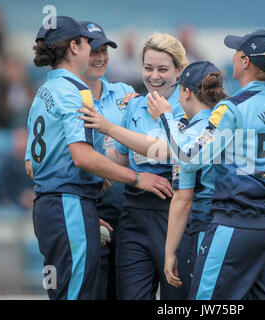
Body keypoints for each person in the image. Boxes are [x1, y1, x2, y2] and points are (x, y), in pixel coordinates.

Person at [24, 16, 172, 300]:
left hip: (59, 206)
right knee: (77, 293)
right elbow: (82, 157)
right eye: (87, 44)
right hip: (69, 203)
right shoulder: (75, 90)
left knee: (69, 291)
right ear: (74, 47)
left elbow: (34, 162)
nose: (95, 52)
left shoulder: (44, 89)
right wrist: (138, 178)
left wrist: (86, 207)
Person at [148, 29, 265, 300]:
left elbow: (188, 157)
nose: (232, 57)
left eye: (236, 52)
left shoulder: (232, 107)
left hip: (237, 224)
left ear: (245, 61)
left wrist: (166, 118)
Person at [79, 32, 192, 300]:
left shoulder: (187, 105)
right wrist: (86, 161)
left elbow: (168, 151)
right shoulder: (135, 105)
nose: (154, 76)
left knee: (177, 299)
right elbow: (118, 157)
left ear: (179, 71)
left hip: (174, 213)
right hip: (134, 214)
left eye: (163, 69)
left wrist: (110, 128)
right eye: (148, 68)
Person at [146, 61, 228, 289]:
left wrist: (170, 252)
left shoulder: (190, 134)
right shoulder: (226, 122)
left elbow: (183, 199)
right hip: (233, 224)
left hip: (205, 225)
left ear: (187, 92)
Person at [78, 21, 136, 300]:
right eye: (93, 51)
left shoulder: (124, 93)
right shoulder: (67, 98)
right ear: (75, 52)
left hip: (128, 213)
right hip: (91, 211)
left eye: (104, 50)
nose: (100, 57)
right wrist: (89, 216)